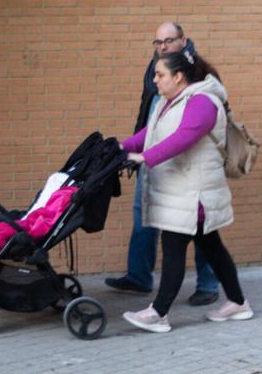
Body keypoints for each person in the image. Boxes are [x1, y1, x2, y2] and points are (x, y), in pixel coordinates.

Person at [118, 49, 254, 333]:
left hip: (195, 194)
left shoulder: (203, 101)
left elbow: (185, 136)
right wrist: (122, 148)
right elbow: (150, 134)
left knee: (173, 247)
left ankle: (158, 313)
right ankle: (238, 303)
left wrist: (146, 157)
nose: (155, 80)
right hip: (183, 192)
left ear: (178, 76)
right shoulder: (168, 103)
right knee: (212, 248)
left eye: (160, 74)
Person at [105, 22, 220, 306]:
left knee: (198, 226)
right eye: (157, 42)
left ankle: (208, 284)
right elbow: (151, 118)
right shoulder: (154, 70)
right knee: (143, 214)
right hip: (154, 156)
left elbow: (186, 133)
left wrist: (146, 154)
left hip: (188, 164)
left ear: (184, 40)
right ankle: (139, 276)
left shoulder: (199, 77)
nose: (162, 46)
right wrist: (128, 147)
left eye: (168, 40)